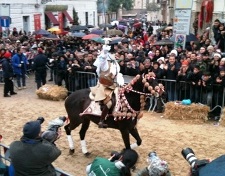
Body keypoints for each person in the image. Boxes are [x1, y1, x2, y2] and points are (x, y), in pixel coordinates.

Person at [90, 39, 124, 128]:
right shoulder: (105, 63)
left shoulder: (116, 63)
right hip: (104, 86)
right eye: (113, 53)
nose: (115, 54)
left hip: (114, 85)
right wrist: (104, 51)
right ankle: (101, 121)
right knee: (109, 103)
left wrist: (120, 81)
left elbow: (118, 74)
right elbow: (102, 61)